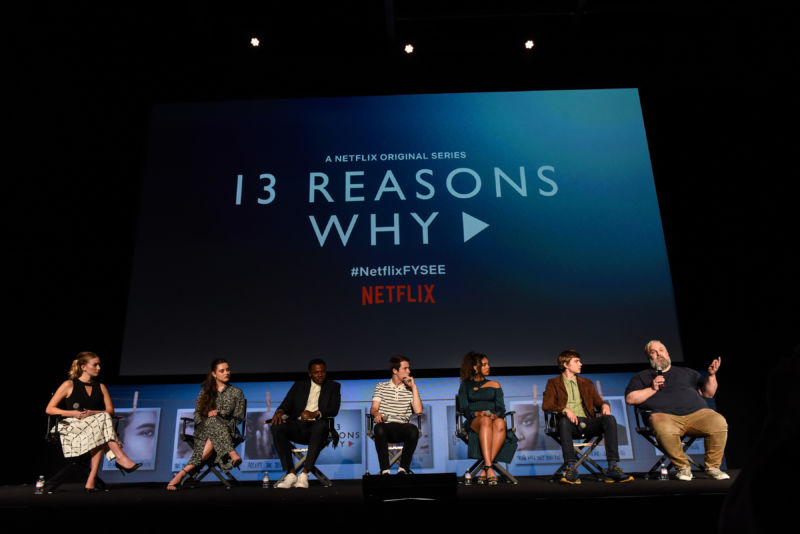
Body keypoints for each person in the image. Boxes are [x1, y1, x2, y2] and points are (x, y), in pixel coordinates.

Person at [625, 340, 729, 481]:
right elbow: (630, 399)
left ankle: (713, 467)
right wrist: (652, 389)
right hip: (664, 417)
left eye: (661, 350)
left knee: (718, 421)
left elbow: (708, 393)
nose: (658, 354)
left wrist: (711, 375)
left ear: (667, 353)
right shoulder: (642, 377)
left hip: (696, 415)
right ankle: (683, 467)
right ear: (649, 357)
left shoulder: (687, 372)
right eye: (653, 352)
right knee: (661, 424)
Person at [45, 352, 142, 493]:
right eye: (95, 365)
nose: (99, 368)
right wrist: (73, 413)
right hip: (72, 426)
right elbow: (49, 409)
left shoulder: (100, 387)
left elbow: (110, 410)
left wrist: (92, 413)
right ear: (83, 367)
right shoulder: (69, 384)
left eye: (99, 365)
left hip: (94, 428)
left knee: (101, 423)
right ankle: (120, 457)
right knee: (102, 421)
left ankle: (91, 480)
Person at [542, 349, 633, 484]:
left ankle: (612, 467)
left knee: (609, 419)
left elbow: (599, 402)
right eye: (576, 361)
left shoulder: (586, 383)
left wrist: (605, 405)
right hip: (567, 424)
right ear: (565, 364)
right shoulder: (553, 383)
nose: (581, 364)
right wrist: (565, 410)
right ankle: (571, 468)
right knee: (564, 421)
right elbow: (546, 405)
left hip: (587, 422)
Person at [167, 358, 245, 490]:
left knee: (214, 428)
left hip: (228, 429)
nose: (226, 373)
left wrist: (219, 413)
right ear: (214, 374)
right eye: (222, 371)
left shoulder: (236, 392)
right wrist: (208, 417)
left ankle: (181, 474)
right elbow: (197, 416)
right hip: (204, 430)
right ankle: (231, 453)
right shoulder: (205, 393)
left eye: (227, 370)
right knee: (211, 421)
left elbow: (239, 416)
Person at [270, 358, 341, 488]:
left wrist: (315, 414)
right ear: (310, 374)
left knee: (320, 425)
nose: (320, 375)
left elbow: (334, 410)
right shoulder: (299, 385)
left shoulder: (333, 386)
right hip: (297, 427)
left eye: (323, 371)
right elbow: (286, 405)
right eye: (316, 372)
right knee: (277, 426)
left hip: (318, 428)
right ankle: (291, 474)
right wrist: (280, 411)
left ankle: (304, 474)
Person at [457, 351, 517, 485]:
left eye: (488, 364)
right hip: (474, 421)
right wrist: (477, 414)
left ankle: (486, 467)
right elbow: (464, 408)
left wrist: (496, 415)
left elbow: (501, 408)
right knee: (485, 420)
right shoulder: (465, 386)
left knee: (500, 422)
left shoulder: (495, 385)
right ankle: (490, 467)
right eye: (484, 365)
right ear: (475, 367)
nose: (488, 367)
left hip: (493, 420)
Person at [370, 355, 423, 474]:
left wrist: (414, 387)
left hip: (403, 426)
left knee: (413, 430)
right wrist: (376, 413)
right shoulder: (381, 386)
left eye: (409, 368)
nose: (409, 371)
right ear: (395, 370)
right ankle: (385, 470)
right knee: (379, 428)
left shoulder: (411, 389)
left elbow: (418, 410)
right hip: (386, 425)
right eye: (405, 368)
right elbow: (373, 408)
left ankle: (403, 468)